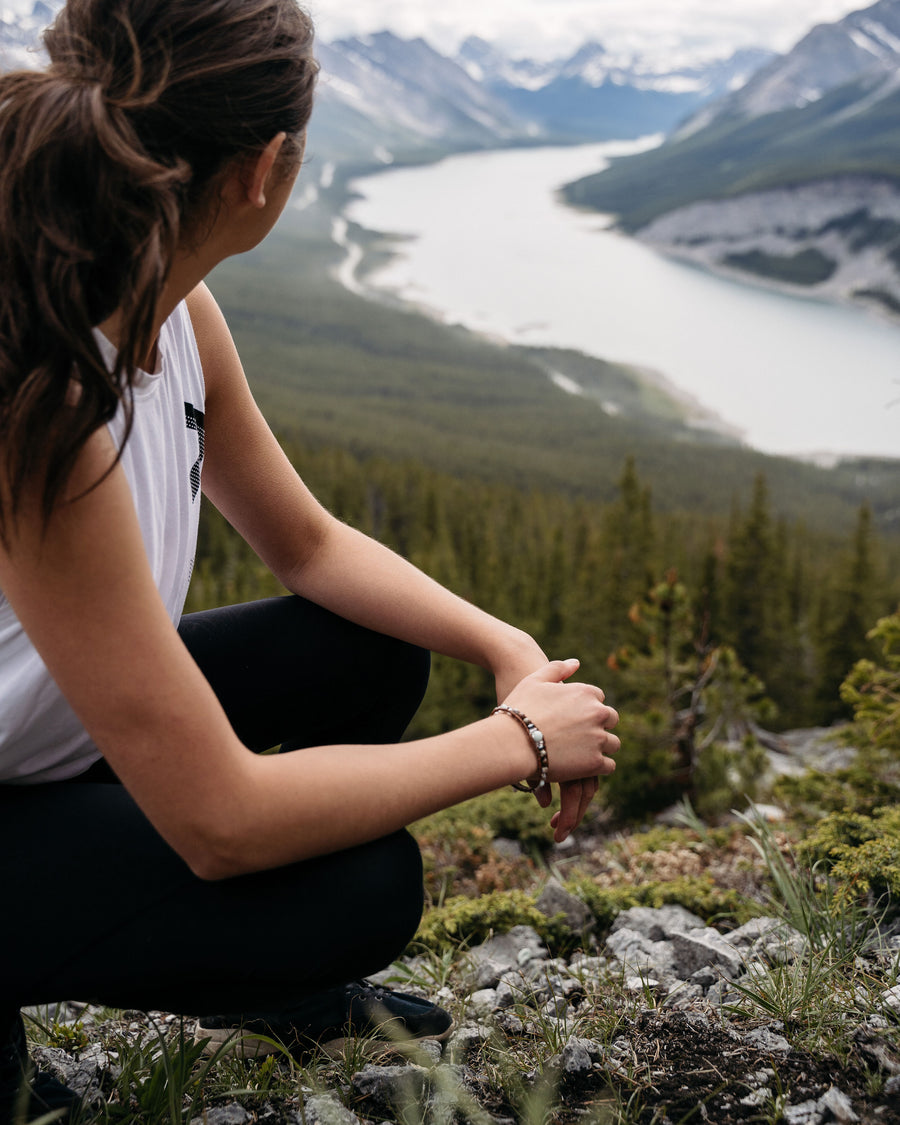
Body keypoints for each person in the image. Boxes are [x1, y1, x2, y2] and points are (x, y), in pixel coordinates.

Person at [0, 0, 621, 1118]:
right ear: (267, 169)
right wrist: (515, 741)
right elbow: (224, 819)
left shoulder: (174, 310)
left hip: (34, 742)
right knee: (361, 888)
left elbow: (311, 544)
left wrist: (502, 646)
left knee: (372, 645)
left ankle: (246, 970)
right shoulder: (40, 393)